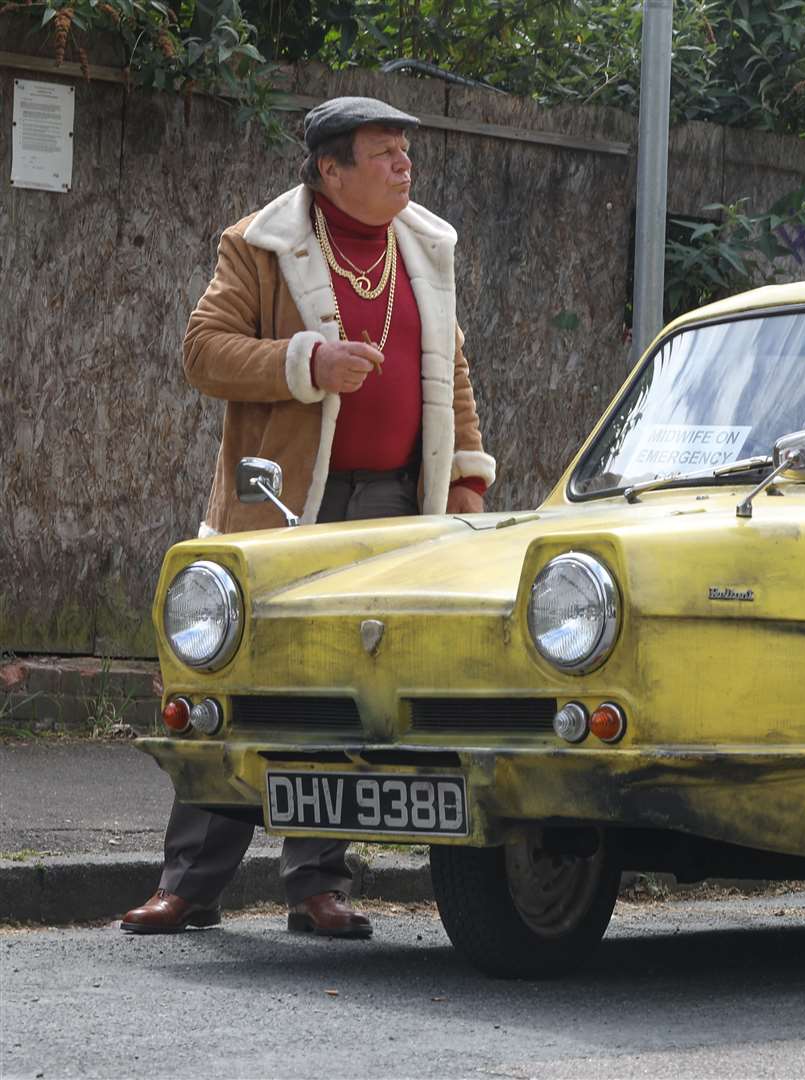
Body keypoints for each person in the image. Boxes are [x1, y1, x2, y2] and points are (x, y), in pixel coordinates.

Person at [120, 96, 497, 939]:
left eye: (406, 153)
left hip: (399, 502)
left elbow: (452, 368)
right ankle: (189, 886)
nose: (405, 167)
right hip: (290, 503)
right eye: (384, 155)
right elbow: (203, 352)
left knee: (343, 691)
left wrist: (468, 476)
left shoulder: (425, 244)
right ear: (330, 170)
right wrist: (308, 361)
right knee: (240, 684)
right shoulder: (259, 242)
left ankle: (317, 885)